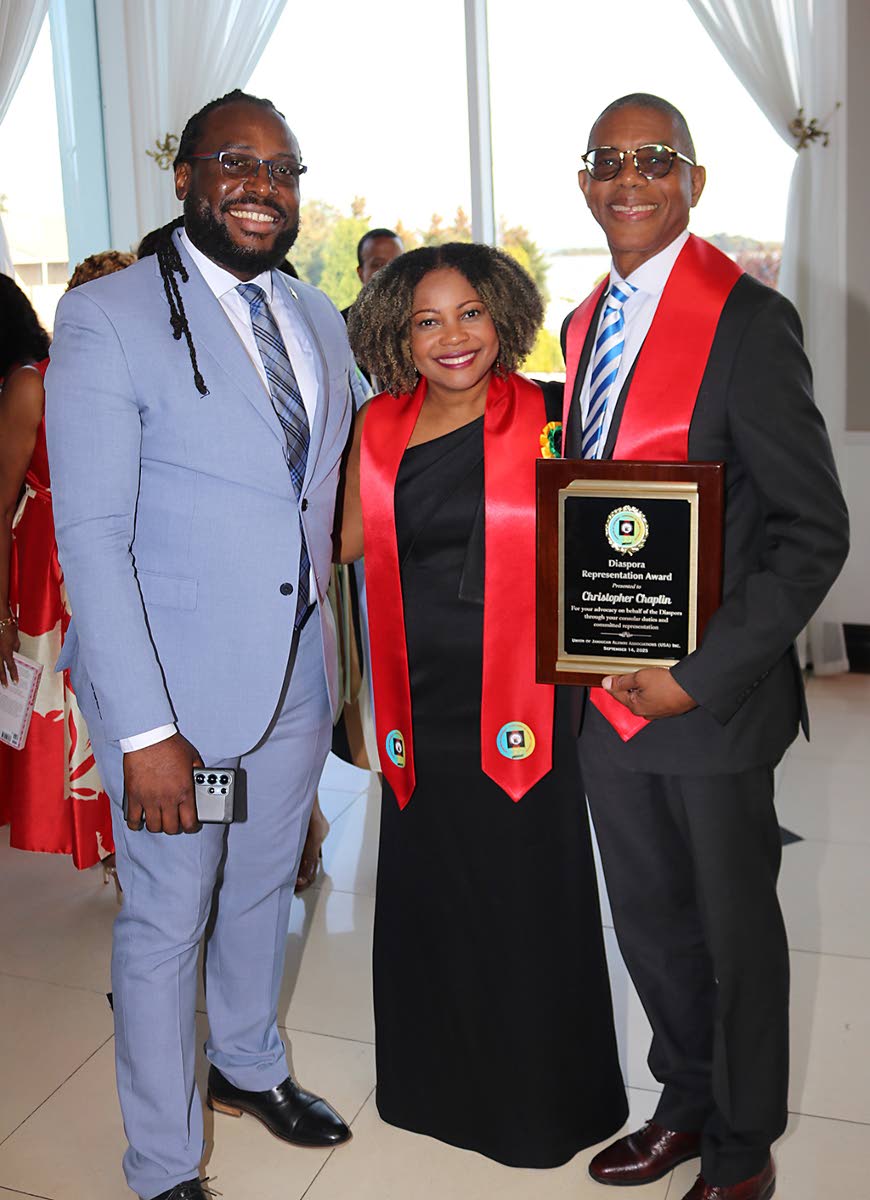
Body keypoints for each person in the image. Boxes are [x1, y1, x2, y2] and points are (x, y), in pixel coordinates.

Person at [45, 89, 355, 1200]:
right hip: (176, 696)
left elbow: (330, 502)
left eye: (282, 167)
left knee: (265, 886)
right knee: (169, 916)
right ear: (184, 175)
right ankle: (166, 1165)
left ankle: (248, 1065)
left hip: (294, 682)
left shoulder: (318, 318)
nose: (261, 185)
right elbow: (91, 536)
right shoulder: (110, 316)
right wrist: (145, 731)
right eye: (234, 161)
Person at [561, 94, 849, 1200]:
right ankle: (683, 1104)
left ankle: (743, 1145)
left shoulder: (748, 321)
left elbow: (813, 530)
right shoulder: (588, 322)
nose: (629, 178)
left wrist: (696, 673)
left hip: (707, 701)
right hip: (606, 695)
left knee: (733, 939)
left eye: (655, 159)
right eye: (609, 160)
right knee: (649, 924)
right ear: (585, 181)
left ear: (693, 180)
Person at [338, 242, 628, 1167]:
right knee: (434, 888)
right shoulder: (377, 426)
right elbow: (339, 538)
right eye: (427, 320)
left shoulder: (554, 411)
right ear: (399, 335)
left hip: (530, 707)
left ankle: (544, 1105)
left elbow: (622, 528)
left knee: (527, 893)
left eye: (469, 312)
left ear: (501, 315)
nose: (452, 335)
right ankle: (433, 1088)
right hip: (419, 704)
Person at [0, 275, 114, 870]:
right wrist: (1, 612)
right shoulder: (32, 383)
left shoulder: (130, 376)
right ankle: (105, 839)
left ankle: (125, 838)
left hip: (122, 559)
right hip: (49, 569)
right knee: (65, 709)